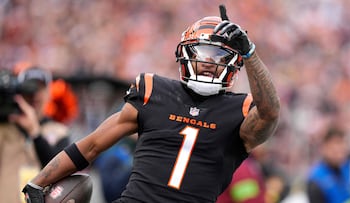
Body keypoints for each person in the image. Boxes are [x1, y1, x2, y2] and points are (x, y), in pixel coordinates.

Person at [22, 5, 280, 203]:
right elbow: (91, 145)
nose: (209, 63)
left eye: (220, 56)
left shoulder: (239, 110)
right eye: (202, 54)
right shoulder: (153, 91)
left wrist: (250, 54)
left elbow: (269, 113)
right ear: (185, 54)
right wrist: (38, 182)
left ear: (234, 65)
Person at [0, 67, 71, 203]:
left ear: (49, 93)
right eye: (29, 89)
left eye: (41, 89)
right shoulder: (5, 128)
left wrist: (35, 133)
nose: (35, 95)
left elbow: (61, 174)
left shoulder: (59, 131)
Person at [306, 126, 350, 203]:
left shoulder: (349, 169)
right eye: (335, 145)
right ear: (324, 147)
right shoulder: (316, 179)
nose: (340, 150)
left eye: (342, 144)